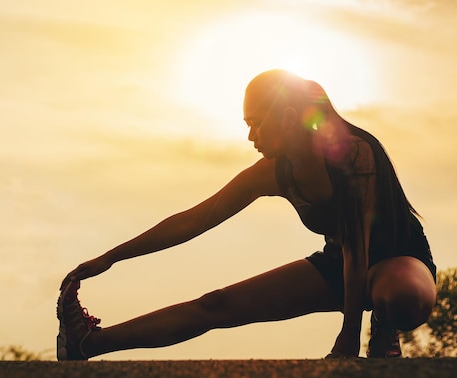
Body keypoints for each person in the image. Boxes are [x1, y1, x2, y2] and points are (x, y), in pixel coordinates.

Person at [56, 69, 437, 360]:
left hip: (397, 259)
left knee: (398, 296)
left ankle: (385, 327)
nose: (251, 135)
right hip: (339, 264)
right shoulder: (273, 172)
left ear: (288, 117)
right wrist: (111, 257)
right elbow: (193, 220)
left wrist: (349, 335)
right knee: (215, 305)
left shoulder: (352, 153)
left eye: (256, 122)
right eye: (247, 125)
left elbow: (359, 246)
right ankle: (88, 344)